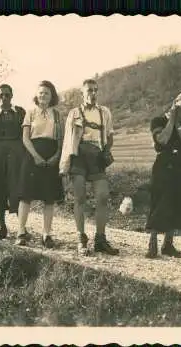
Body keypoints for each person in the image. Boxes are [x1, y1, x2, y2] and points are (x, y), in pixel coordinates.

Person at [59, 79, 119, 256]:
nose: (92, 94)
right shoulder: (74, 113)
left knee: (102, 196)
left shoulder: (104, 112)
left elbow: (110, 136)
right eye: (89, 91)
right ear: (82, 93)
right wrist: (65, 165)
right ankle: (81, 238)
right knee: (80, 198)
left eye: (95, 90)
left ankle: (100, 239)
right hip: (79, 156)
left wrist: (106, 151)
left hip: (97, 156)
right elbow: (68, 141)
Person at [145, 91, 181, 258]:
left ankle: (168, 244)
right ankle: (152, 244)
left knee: (177, 205)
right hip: (163, 167)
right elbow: (162, 139)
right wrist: (172, 120)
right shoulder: (158, 121)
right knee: (159, 203)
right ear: (175, 104)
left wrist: (178, 125)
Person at [16, 81, 64, 248]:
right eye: (41, 93)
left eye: (47, 93)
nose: (43, 96)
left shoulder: (57, 115)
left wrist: (56, 156)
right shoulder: (30, 113)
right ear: (36, 95)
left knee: (49, 197)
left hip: (51, 156)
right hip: (32, 155)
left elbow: (60, 140)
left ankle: (46, 234)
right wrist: (35, 156)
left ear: (52, 97)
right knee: (26, 195)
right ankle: (21, 232)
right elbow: (25, 138)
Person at [0, 84, 27, 239]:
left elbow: (26, 135)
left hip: (16, 154)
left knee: (17, 188)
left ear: (12, 96)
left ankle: (22, 227)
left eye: (7, 95)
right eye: (1, 95)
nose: (4, 98)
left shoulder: (20, 112)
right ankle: (2, 226)